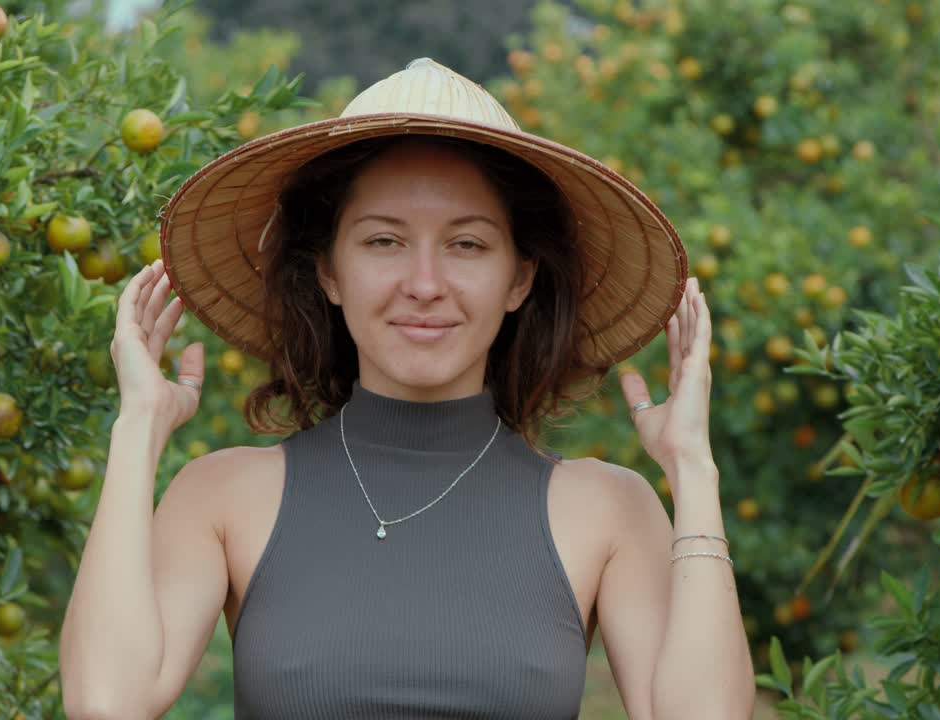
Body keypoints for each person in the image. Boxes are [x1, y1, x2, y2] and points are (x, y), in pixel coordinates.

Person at [59, 58, 754, 719]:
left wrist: (691, 464)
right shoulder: (224, 496)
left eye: (468, 245)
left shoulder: (608, 509)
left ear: (520, 279)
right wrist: (137, 431)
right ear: (328, 271)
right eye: (383, 242)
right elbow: (106, 701)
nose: (424, 285)